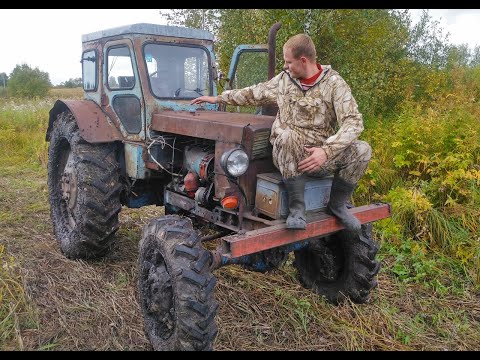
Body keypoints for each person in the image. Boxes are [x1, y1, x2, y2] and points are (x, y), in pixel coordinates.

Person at [191, 33, 371, 233]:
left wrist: (326, 151)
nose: (285, 67)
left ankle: (337, 206)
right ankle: (297, 208)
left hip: (320, 155)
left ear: (304, 60)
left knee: (362, 149)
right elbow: (254, 93)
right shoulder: (284, 81)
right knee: (286, 136)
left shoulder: (334, 84)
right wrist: (219, 99)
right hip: (288, 154)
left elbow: (354, 122)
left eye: (288, 62)